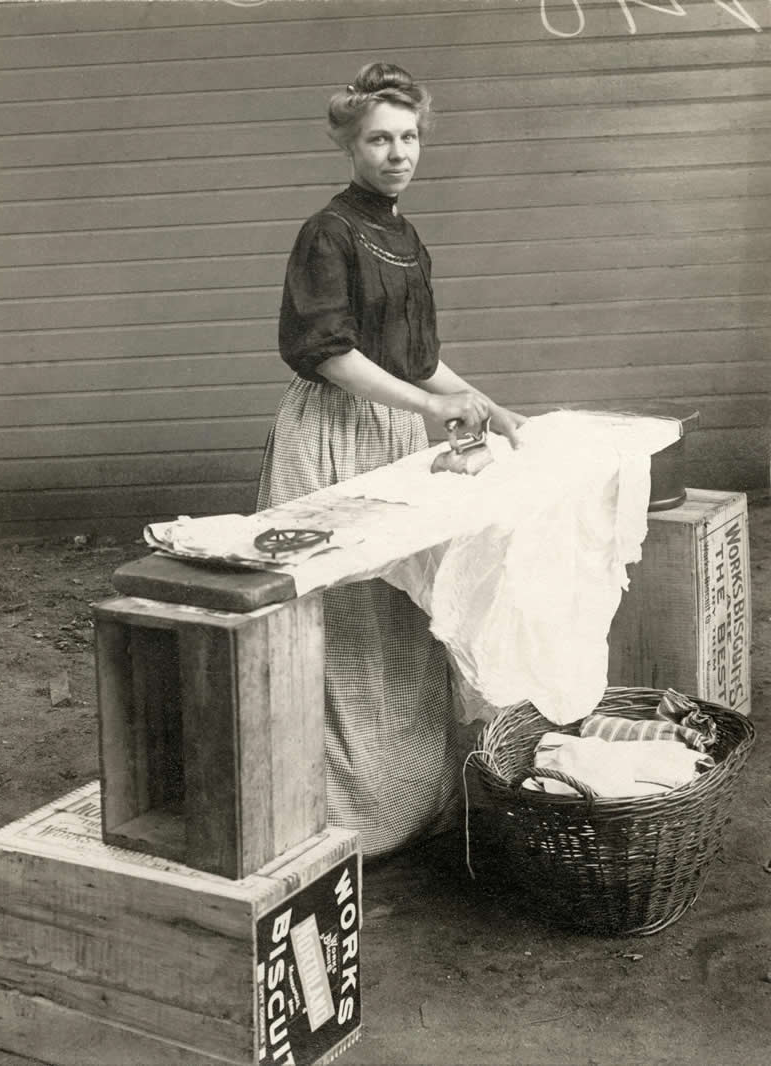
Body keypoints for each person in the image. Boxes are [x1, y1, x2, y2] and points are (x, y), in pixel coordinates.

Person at [257, 61, 526, 858]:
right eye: (380, 138)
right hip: (334, 439)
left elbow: (418, 359)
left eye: (409, 137)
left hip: (396, 438)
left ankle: (407, 799)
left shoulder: (405, 237)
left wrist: (484, 400)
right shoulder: (328, 232)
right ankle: (345, 817)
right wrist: (430, 408)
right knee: (341, 614)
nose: (398, 152)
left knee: (409, 613)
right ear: (349, 144)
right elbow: (328, 352)